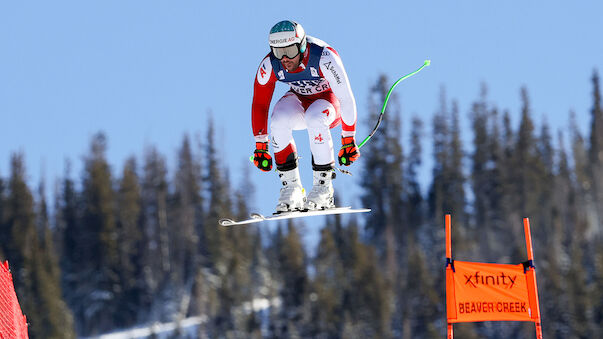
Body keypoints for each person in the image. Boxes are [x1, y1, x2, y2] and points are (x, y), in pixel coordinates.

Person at [252, 20, 359, 212]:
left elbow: (346, 98)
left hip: (329, 103)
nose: (285, 59)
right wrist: (260, 145)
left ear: (301, 46)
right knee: (279, 119)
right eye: (278, 52)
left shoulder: (324, 57)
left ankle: (323, 188)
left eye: (290, 51)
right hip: (301, 98)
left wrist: (348, 140)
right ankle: (291, 189)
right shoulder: (270, 64)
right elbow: (260, 104)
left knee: (315, 118)